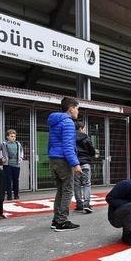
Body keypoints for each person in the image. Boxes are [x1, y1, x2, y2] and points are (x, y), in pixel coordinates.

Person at [48, 97, 82, 232]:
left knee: (60, 190)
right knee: (68, 190)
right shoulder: (68, 123)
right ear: (71, 108)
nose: (78, 112)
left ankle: (56, 219)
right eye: (77, 109)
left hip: (53, 158)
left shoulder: (54, 121)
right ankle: (62, 221)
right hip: (63, 160)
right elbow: (68, 146)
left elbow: (51, 143)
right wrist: (75, 163)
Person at [74, 120, 96, 214]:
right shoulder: (86, 137)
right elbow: (92, 151)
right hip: (85, 163)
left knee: (77, 184)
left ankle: (79, 204)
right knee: (87, 184)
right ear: (81, 128)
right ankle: (86, 205)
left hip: (75, 164)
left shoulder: (71, 137)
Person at [0, 129, 24, 201]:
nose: (13, 138)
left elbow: (21, 151)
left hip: (16, 165)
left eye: (14, 136)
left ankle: (16, 195)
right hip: (7, 165)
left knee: (16, 180)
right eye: (11, 136)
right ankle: (9, 196)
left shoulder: (18, 144)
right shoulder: (4, 144)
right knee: (8, 180)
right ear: (7, 137)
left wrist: (20, 158)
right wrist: (1, 157)